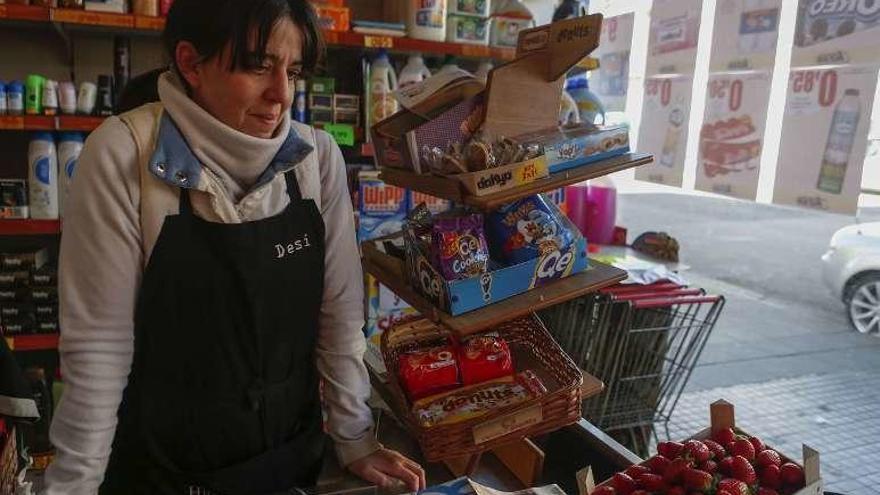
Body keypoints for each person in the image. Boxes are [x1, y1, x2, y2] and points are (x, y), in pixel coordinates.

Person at [44, 1, 426, 494]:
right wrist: (73, 486)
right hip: (163, 475)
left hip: (291, 462)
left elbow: (339, 318)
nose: (282, 95)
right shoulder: (123, 155)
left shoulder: (316, 160)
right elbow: (99, 347)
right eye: (258, 66)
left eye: (293, 70)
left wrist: (355, 439)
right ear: (190, 63)